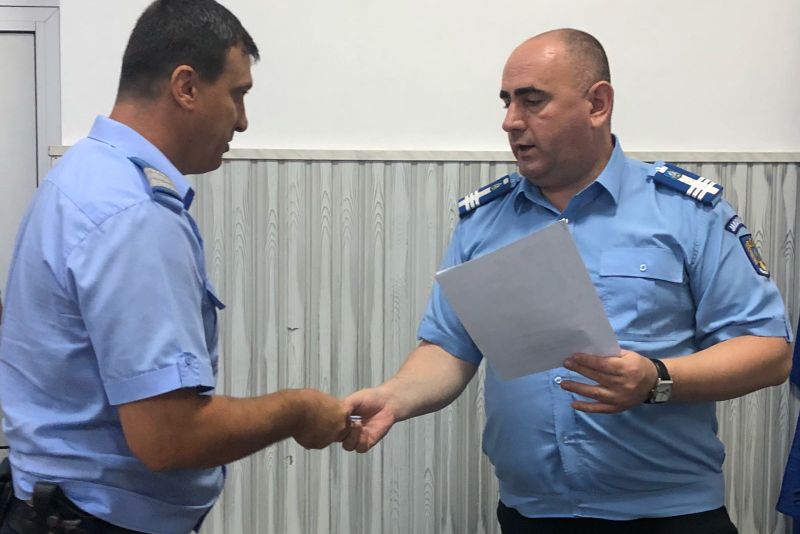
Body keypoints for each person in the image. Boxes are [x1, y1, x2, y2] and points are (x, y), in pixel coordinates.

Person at [342, 28, 792, 534]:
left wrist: (657, 379)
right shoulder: (484, 222)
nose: (511, 121)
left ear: (597, 104)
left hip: (669, 516)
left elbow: (767, 350)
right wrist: (394, 397)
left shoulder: (686, 213)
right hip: (532, 514)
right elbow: (449, 348)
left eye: (532, 101)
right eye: (507, 102)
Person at [0, 1, 350, 533]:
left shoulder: (86, 173)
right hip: (96, 520)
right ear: (186, 87)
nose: (243, 120)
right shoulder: (132, 213)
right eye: (237, 94)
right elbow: (168, 437)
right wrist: (298, 410)